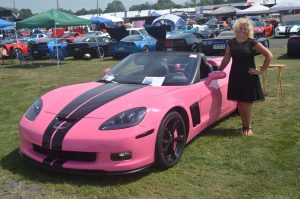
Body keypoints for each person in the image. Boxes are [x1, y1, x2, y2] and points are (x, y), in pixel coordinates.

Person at [218, 18, 273, 136]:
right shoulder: (231, 43)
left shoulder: (252, 42)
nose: (243, 30)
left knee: (247, 102)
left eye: (245, 28)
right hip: (236, 75)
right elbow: (226, 59)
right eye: (241, 28)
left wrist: (261, 70)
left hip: (248, 76)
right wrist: (218, 71)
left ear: (248, 30)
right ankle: (244, 125)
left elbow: (269, 55)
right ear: (236, 29)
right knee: (239, 101)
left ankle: (248, 127)